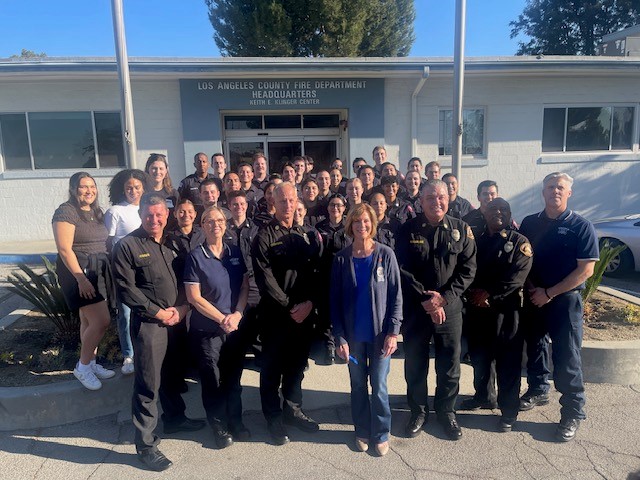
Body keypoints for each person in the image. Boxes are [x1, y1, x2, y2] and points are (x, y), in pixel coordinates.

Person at [112, 193, 206, 472]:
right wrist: (157, 312)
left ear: (167, 215)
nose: (155, 219)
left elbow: (181, 281)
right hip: (150, 325)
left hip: (175, 320)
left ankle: (176, 419)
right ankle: (146, 445)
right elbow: (127, 289)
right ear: (141, 216)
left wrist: (181, 308)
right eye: (149, 215)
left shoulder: (170, 244)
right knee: (148, 385)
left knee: (173, 376)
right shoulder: (127, 246)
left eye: (159, 215)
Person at [519, 172, 598, 442]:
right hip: (534, 296)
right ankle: (538, 389)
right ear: (543, 192)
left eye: (560, 187)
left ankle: (573, 411)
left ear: (569, 193)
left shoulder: (581, 226)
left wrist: (549, 293)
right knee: (536, 346)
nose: (555, 191)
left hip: (564, 300)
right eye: (550, 186)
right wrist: (532, 289)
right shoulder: (529, 223)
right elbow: (522, 260)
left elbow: (586, 270)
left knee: (567, 355)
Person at [396, 180, 476, 441]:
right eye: (430, 197)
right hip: (417, 309)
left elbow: (468, 269)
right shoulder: (407, 229)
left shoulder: (461, 229)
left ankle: (446, 411)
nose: (436, 202)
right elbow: (401, 267)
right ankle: (418, 411)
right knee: (415, 363)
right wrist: (426, 299)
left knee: (449, 364)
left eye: (441, 196)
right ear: (421, 201)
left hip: (449, 308)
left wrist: (443, 299)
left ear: (448, 199)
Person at [251, 182, 323, 446]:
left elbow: (316, 274)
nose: (288, 205)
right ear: (274, 202)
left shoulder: (306, 235)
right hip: (275, 316)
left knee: (296, 367)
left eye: (292, 200)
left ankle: (292, 409)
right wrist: (290, 307)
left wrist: (309, 304)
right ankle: (272, 417)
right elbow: (265, 279)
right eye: (283, 201)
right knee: (271, 369)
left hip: (303, 316)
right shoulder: (263, 237)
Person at [331, 203, 403, 457]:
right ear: (350, 225)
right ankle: (362, 429)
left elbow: (396, 297)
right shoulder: (341, 259)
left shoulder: (386, 254)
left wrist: (393, 332)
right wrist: (339, 338)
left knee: (380, 386)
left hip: (381, 337)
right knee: (358, 386)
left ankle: (382, 433)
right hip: (352, 340)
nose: (362, 226)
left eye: (366, 221)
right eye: (357, 222)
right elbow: (335, 302)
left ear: (373, 224)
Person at [464, 198, 532, 432]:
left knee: (507, 364)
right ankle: (483, 396)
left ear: (510, 214)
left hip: (505, 313)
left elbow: (517, 278)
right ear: (484, 213)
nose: (498, 213)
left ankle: (509, 411)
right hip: (477, 312)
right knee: (480, 359)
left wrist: (489, 294)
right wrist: (474, 295)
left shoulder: (519, 242)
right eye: (493, 209)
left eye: (503, 209)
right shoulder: (477, 241)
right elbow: (467, 270)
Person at [184, 206, 250, 448]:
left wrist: (238, 314)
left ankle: (236, 421)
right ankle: (218, 426)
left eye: (220, 220)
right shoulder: (195, 256)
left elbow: (244, 287)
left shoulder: (235, 252)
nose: (216, 225)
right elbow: (194, 297)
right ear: (202, 226)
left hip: (234, 328)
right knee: (212, 380)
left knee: (233, 379)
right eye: (210, 221)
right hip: (207, 331)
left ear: (226, 224)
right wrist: (222, 318)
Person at [52, 172, 116, 390]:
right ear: (73, 189)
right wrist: (81, 279)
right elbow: (64, 248)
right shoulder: (66, 211)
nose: (89, 190)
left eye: (92, 186)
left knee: (88, 321)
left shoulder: (96, 212)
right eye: (83, 187)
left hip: (98, 270)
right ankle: (83, 366)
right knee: (101, 320)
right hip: (78, 272)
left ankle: (91, 362)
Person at [105, 169, 148, 375]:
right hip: (124, 270)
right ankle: (128, 355)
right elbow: (109, 242)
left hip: (146, 269)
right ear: (123, 189)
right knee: (125, 314)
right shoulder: (115, 212)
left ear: (143, 188)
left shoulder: (147, 209)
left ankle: (145, 350)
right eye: (129, 187)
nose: (133, 191)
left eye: (137, 187)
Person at [315, 193, 352, 364]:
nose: (335, 208)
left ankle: (343, 344)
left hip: (346, 276)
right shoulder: (319, 227)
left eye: (339, 205)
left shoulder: (350, 227)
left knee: (345, 311)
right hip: (324, 276)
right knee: (326, 313)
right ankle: (329, 345)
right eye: (332, 205)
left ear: (344, 208)